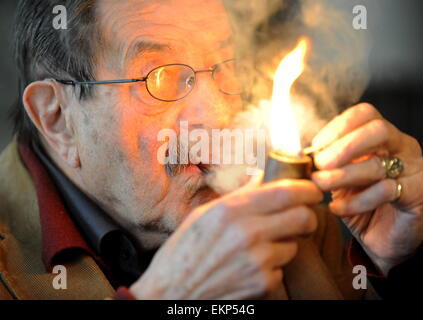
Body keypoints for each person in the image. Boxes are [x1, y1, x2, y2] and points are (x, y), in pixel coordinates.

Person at [0, 0, 421, 300]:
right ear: (57, 118)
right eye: (161, 78)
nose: (220, 117)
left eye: (229, 67)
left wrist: (393, 264)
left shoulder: (291, 211)